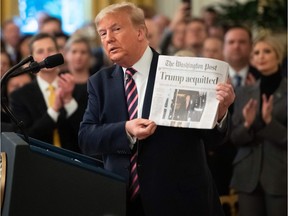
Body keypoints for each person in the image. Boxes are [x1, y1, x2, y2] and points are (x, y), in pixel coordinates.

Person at [78, 2, 235, 216]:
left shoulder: (180, 71)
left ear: (141, 32)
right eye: (102, 33)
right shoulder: (99, 82)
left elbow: (213, 140)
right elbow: (86, 138)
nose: (108, 38)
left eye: (116, 29)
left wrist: (219, 113)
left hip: (180, 202)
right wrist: (126, 129)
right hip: (124, 202)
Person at [230, 35, 287, 216]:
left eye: (267, 51)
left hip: (280, 174)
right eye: (256, 53)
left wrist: (270, 122)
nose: (261, 56)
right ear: (252, 59)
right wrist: (247, 123)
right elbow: (234, 138)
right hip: (247, 175)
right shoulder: (243, 92)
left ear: (278, 56)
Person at [9, 33, 86, 153]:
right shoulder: (20, 96)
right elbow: (25, 137)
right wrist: (54, 110)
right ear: (32, 59)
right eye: (40, 51)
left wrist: (69, 101)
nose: (46, 55)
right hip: (39, 162)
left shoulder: (78, 89)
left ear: (59, 53)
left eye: (50, 50)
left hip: (76, 162)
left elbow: (86, 132)